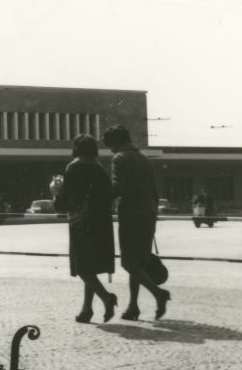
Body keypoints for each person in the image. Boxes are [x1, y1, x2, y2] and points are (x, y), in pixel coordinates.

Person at [103, 124, 171, 321]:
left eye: (111, 145)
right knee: (138, 262)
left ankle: (158, 294)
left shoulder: (120, 158)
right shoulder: (144, 159)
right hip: (148, 216)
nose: (111, 150)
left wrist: (101, 200)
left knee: (127, 262)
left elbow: (117, 187)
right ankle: (133, 306)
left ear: (117, 142)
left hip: (130, 216)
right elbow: (155, 192)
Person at [50, 134, 117, 323]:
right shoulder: (99, 168)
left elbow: (65, 203)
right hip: (101, 222)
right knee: (91, 266)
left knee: (82, 267)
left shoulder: (73, 167)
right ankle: (86, 309)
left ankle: (106, 297)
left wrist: (55, 191)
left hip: (81, 222)